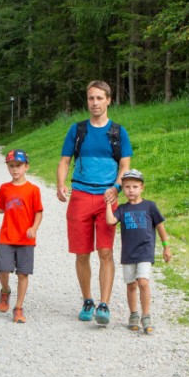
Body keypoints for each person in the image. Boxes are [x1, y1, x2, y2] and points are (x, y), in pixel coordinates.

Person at [56, 80, 132, 325]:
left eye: (100, 98)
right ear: (87, 101)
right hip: (79, 196)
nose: (95, 103)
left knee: (106, 251)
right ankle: (87, 299)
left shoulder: (118, 132)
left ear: (109, 100)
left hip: (107, 198)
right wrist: (60, 182)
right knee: (81, 253)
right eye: (91, 98)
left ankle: (104, 304)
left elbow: (125, 166)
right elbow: (65, 160)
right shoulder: (77, 130)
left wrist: (117, 187)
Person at [105, 169, 172, 335]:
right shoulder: (122, 208)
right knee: (131, 285)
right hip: (128, 253)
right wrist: (107, 203)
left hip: (145, 251)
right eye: (127, 187)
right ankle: (133, 314)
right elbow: (110, 220)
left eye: (135, 186)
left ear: (142, 187)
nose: (131, 190)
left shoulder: (150, 206)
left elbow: (160, 226)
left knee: (143, 282)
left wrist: (166, 246)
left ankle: (146, 316)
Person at [0, 149, 43, 323]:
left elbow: (38, 212)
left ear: (26, 167)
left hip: (26, 239)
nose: (15, 169)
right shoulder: (5, 188)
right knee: (3, 268)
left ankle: (18, 308)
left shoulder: (33, 190)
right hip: (7, 236)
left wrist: (34, 228)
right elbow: (2, 207)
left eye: (18, 166)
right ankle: (5, 290)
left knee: (23, 273)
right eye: (11, 166)